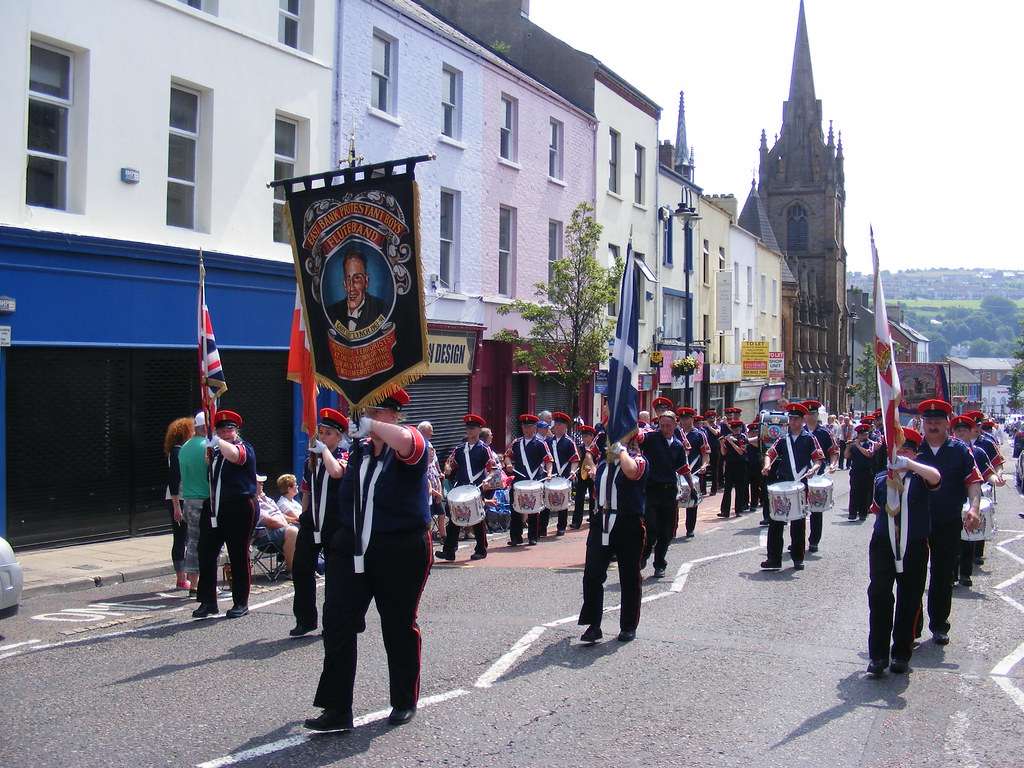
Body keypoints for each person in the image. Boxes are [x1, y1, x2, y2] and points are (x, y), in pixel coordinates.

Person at [305, 388, 431, 733]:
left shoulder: (411, 443)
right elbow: (339, 475)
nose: (369, 418)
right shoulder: (359, 451)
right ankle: (336, 708)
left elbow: (409, 442)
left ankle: (404, 699)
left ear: (393, 415)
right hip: (352, 544)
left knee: (397, 623)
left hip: (400, 546)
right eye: (366, 411)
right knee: (337, 621)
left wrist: (371, 424)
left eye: (377, 412)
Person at [866, 428, 941, 677]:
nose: (900, 455)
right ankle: (878, 655)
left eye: (906, 451)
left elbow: (936, 477)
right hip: (884, 544)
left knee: (909, 599)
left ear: (915, 454)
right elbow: (876, 508)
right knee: (879, 595)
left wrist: (909, 465)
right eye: (896, 451)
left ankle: (901, 654)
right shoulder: (881, 478)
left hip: (914, 545)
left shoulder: (920, 477)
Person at [911, 399, 983, 645]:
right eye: (928, 422)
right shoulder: (913, 449)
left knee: (942, 575)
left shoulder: (960, 450)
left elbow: (973, 481)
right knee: (914, 576)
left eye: (937, 422)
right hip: (915, 522)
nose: (932, 426)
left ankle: (940, 624)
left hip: (948, 521)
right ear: (922, 423)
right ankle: (912, 627)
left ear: (947, 424)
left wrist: (973, 508)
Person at [578, 437, 648, 644]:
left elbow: (631, 472)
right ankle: (593, 625)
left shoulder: (639, 460)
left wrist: (622, 452)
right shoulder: (603, 464)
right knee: (592, 574)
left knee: (629, 576)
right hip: (602, 520)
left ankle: (628, 626)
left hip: (628, 522)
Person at [193, 410, 258, 620]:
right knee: (206, 553)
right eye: (221, 430)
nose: (225, 433)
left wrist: (217, 441)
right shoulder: (215, 451)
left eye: (229, 430)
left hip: (239, 507)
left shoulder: (242, 447)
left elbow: (236, 457)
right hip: (214, 506)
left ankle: (241, 602)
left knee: (238, 554)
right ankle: (207, 601)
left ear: (236, 431)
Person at [291, 408, 349, 638]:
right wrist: (304, 515)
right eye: (321, 433)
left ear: (338, 437)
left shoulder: (344, 456)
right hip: (311, 522)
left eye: (327, 434)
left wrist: (324, 451)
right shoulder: (311, 460)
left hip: (334, 523)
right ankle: (305, 620)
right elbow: (306, 490)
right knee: (301, 569)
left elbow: (336, 473)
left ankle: (332, 622)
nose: (322, 437)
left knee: (335, 576)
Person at [760, 402, 824, 571]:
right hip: (783, 482)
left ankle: (798, 557)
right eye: (791, 418)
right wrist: (767, 466)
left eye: (796, 418)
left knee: (798, 521)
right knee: (776, 520)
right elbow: (770, 453)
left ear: (803, 420)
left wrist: (813, 469)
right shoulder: (783, 439)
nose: (792, 421)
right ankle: (774, 559)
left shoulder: (809, 439)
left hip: (799, 484)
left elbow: (818, 459)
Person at [638, 410, 692, 578]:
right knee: (650, 527)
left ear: (675, 426)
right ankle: (644, 556)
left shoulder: (677, 445)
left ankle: (660, 563)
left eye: (668, 426)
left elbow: (683, 468)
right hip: (651, 490)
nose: (665, 429)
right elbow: (638, 437)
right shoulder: (651, 438)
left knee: (666, 531)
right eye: (662, 426)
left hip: (669, 492)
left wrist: (693, 487)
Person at [950, 415, 1002, 587]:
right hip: (953, 500)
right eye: (958, 431)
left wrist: (997, 480)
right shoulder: (949, 451)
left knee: (968, 537)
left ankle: (965, 573)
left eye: (964, 431)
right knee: (952, 539)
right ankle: (951, 573)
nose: (961, 434)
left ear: (970, 432)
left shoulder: (979, 452)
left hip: (972, 499)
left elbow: (989, 473)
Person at [437, 414, 496, 562]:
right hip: (461, 487)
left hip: (476, 487)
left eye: (472, 428)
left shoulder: (484, 449)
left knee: (477, 518)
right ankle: (449, 551)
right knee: (455, 519)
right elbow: (451, 463)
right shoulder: (459, 449)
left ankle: (481, 549)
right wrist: (448, 467)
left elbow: (493, 469)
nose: (469, 431)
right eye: (468, 428)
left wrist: (487, 480)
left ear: (478, 430)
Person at [504, 414, 553, 546]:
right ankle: (516, 536)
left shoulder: (540, 443)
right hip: (519, 479)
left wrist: (548, 473)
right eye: (524, 426)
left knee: (533, 508)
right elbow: (507, 456)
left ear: (534, 428)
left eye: (529, 426)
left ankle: (533, 536)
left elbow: (548, 460)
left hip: (534, 479)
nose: (526, 429)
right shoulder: (516, 443)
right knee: (515, 508)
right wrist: (508, 464)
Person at [177, 412, 209, 599]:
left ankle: (194, 584)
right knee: (210, 544)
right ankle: (207, 583)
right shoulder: (208, 448)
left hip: (188, 499)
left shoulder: (184, 448)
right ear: (206, 427)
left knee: (193, 543)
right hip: (205, 500)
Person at [326, 247, 390, 336]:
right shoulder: (331, 313)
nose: (351, 287)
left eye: (357, 278)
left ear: (366, 282)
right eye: (348, 279)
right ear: (344, 284)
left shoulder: (383, 310)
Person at [164, 416, 196, 590]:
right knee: (181, 538)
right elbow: (174, 480)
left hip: (185, 497)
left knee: (187, 537)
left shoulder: (181, 451)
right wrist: (177, 506)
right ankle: (181, 577)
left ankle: (187, 575)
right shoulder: (177, 452)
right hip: (179, 499)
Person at [802, 400, 839, 553]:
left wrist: (832, 464)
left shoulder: (824, 433)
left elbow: (833, 452)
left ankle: (814, 541)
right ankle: (798, 541)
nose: (810, 417)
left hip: (817, 475)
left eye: (813, 413)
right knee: (799, 510)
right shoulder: (799, 431)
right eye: (808, 414)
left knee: (816, 510)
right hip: (801, 475)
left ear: (818, 415)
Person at [542, 412, 580, 536]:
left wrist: (573, 470)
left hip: (563, 476)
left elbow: (575, 459)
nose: (557, 427)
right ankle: (542, 528)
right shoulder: (547, 441)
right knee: (546, 502)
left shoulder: (569, 442)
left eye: (560, 425)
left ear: (565, 427)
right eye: (556, 424)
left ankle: (561, 527)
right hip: (549, 476)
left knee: (562, 503)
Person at [254, 474, 298, 571]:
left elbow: (279, 513)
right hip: (266, 537)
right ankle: (291, 570)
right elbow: (270, 522)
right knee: (293, 531)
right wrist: (288, 526)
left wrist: (292, 520)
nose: (262, 484)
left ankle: (309, 566)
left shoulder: (266, 498)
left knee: (303, 529)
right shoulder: (253, 503)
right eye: (259, 483)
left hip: (280, 531)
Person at [677, 408, 710, 537]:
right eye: (682, 419)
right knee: (675, 501)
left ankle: (690, 528)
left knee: (692, 500)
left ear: (692, 419)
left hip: (693, 472)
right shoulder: (676, 433)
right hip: (678, 472)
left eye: (687, 419)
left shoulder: (699, 435)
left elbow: (705, 454)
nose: (684, 421)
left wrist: (704, 465)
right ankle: (672, 530)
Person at [718, 419, 749, 518]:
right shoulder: (728, 438)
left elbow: (741, 452)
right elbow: (724, 453)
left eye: (737, 429)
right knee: (727, 489)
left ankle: (738, 510)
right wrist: (722, 443)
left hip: (740, 465)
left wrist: (731, 442)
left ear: (740, 429)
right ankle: (725, 511)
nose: (736, 431)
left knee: (739, 488)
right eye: (734, 429)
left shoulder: (743, 438)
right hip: (730, 465)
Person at [845, 424, 876, 520]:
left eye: (866, 434)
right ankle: (852, 513)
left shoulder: (871, 443)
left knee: (865, 492)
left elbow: (869, 454)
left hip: (866, 471)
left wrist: (858, 445)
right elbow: (847, 456)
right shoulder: (854, 445)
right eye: (862, 435)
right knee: (854, 491)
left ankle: (863, 513)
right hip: (855, 471)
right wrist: (848, 447)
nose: (864, 436)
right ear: (858, 435)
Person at [571, 425, 599, 530]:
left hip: (592, 475)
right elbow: (578, 460)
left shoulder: (596, 447)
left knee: (593, 497)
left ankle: (593, 519)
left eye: (586, 436)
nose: (584, 439)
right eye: (583, 436)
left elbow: (599, 460)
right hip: (582, 475)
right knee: (579, 498)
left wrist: (593, 468)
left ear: (592, 437)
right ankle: (576, 521)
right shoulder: (581, 448)